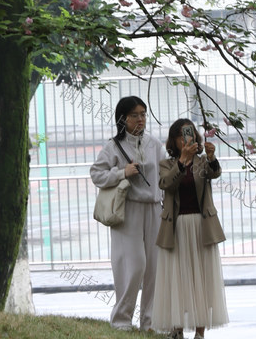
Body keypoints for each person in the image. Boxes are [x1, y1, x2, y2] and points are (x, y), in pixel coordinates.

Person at [90, 96, 167, 332]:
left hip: (155, 208)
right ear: (123, 118)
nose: (140, 119)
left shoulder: (155, 144)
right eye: (135, 115)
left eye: (143, 114)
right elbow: (97, 174)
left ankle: (151, 322)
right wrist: (122, 172)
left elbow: (165, 173)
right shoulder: (114, 146)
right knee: (133, 266)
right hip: (129, 209)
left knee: (155, 267)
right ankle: (122, 321)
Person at [152, 118, 229, 339]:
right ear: (174, 141)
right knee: (176, 276)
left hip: (201, 225)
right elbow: (166, 183)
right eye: (182, 136)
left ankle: (199, 332)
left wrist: (212, 158)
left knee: (202, 278)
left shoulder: (203, 162)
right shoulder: (167, 164)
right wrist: (182, 161)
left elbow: (214, 173)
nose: (187, 139)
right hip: (175, 227)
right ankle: (176, 329)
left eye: (190, 134)